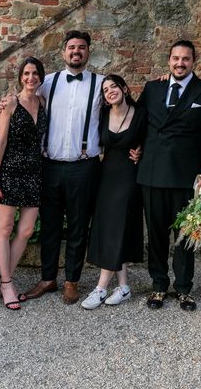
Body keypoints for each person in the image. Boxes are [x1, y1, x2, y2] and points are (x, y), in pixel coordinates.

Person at [137, 40, 201, 312]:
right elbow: (136, 121)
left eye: (185, 59)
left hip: (187, 176)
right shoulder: (152, 88)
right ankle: (159, 285)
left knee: (186, 233)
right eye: (175, 58)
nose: (180, 63)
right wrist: (133, 149)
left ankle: (184, 288)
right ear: (168, 60)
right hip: (152, 173)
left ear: (195, 60)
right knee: (157, 235)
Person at [23, 30, 103, 305]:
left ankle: (72, 280)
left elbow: (126, 107)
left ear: (88, 51)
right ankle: (48, 278)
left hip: (84, 165)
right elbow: (25, 100)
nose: (76, 51)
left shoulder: (101, 84)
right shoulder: (47, 82)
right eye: (71, 47)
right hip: (50, 165)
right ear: (63, 52)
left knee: (79, 226)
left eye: (81, 47)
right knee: (50, 226)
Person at [0, 57, 47, 310]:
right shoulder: (10, 102)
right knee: (6, 227)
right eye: (26, 73)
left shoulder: (42, 102)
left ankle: (3, 279)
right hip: (10, 171)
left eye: (35, 73)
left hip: (34, 172)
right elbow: (0, 141)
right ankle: (8, 283)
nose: (31, 78)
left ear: (40, 77)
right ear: (20, 77)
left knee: (26, 230)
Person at [81, 75, 146, 310]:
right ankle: (124, 286)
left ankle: (100, 288)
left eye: (114, 87)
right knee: (109, 228)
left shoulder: (140, 114)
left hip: (129, 178)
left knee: (117, 228)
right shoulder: (104, 115)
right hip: (106, 177)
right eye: (106, 90)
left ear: (125, 88)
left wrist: (142, 152)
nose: (110, 92)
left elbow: (151, 141)